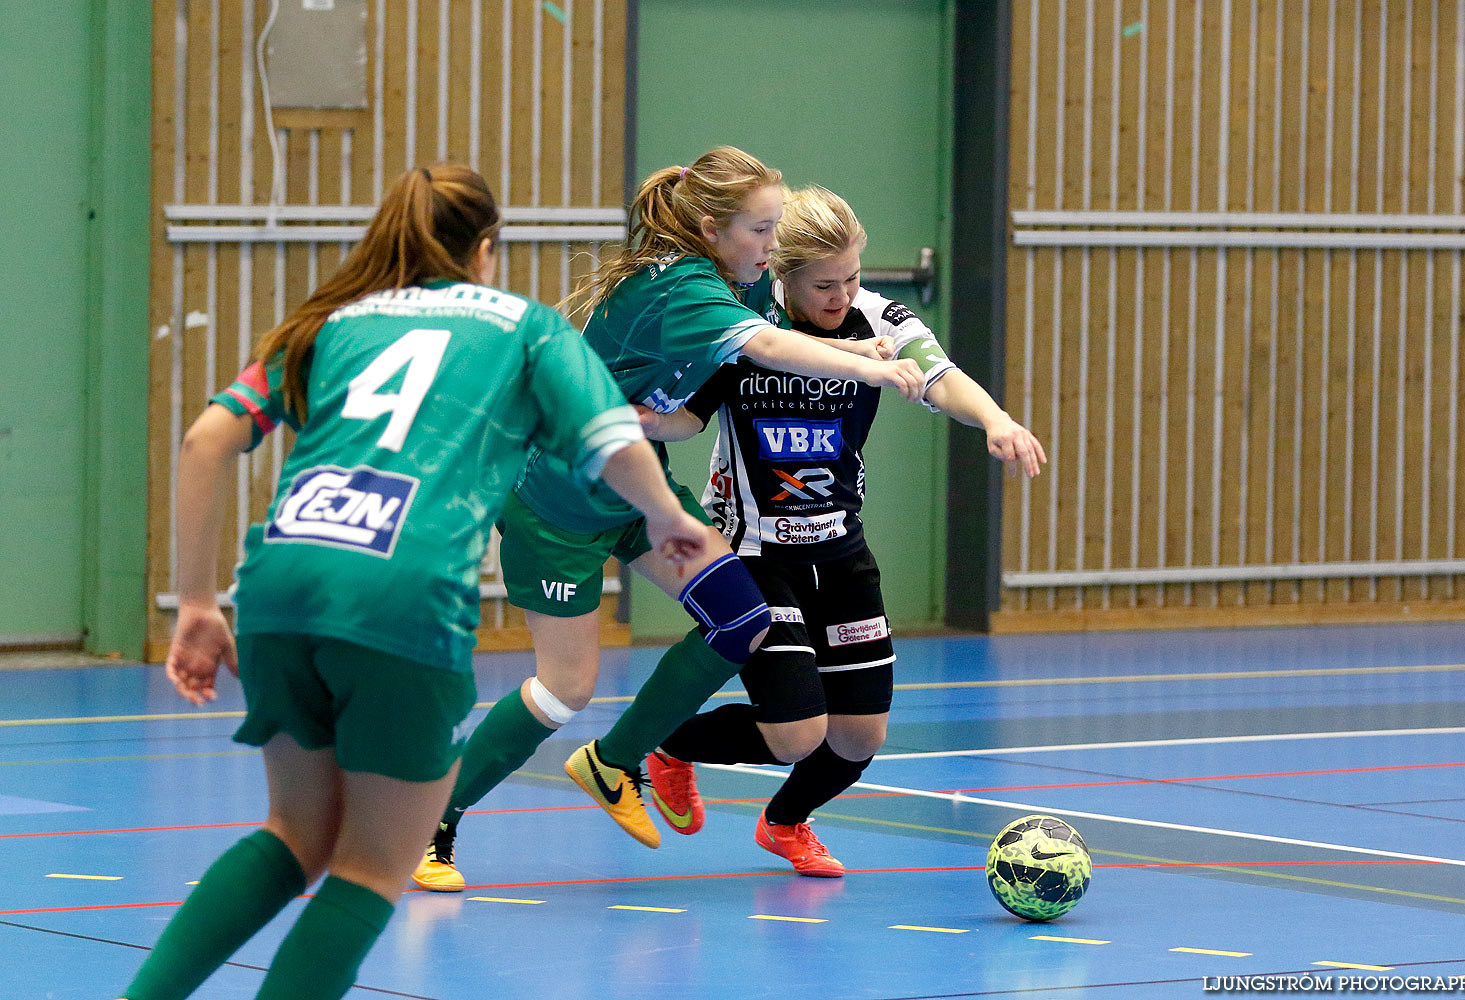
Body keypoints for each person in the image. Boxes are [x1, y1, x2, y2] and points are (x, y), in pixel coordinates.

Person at [118, 164, 713, 1000]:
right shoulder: (526, 328)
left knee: (294, 835)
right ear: (485, 249)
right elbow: (611, 435)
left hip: (279, 587)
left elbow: (204, 443)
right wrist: (665, 515)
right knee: (370, 864)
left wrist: (195, 605)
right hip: (399, 591)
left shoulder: (328, 323)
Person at [411, 148, 925, 890]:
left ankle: (617, 761)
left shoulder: (728, 283)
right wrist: (870, 365)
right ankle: (437, 819)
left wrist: (859, 345)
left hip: (636, 490)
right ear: (712, 228)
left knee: (740, 617)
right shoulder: (679, 287)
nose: (771, 247)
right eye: (760, 229)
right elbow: (770, 345)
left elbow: (711, 400)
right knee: (564, 690)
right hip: (557, 508)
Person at [640, 185, 1046, 876]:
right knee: (797, 731)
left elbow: (941, 376)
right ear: (780, 274)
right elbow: (689, 414)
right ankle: (663, 743)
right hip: (757, 551)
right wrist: (636, 423)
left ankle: (786, 821)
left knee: (858, 736)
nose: (842, 294)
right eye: (824, 284)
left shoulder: (875, 317)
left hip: (841, 549)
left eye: (852, 277)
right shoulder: (742, 323)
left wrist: (998, 421)